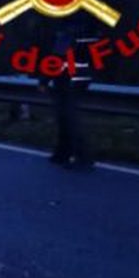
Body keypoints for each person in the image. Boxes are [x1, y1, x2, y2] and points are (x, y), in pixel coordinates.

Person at [43, 19, 95, 170]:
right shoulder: (86, 29)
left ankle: (81, 157)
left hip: (67, 79)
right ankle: (64, 153)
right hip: (78, 78)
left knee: (68, 118)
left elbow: (57, 58)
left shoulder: (68, 31)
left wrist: (45, 79)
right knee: (66, 117)